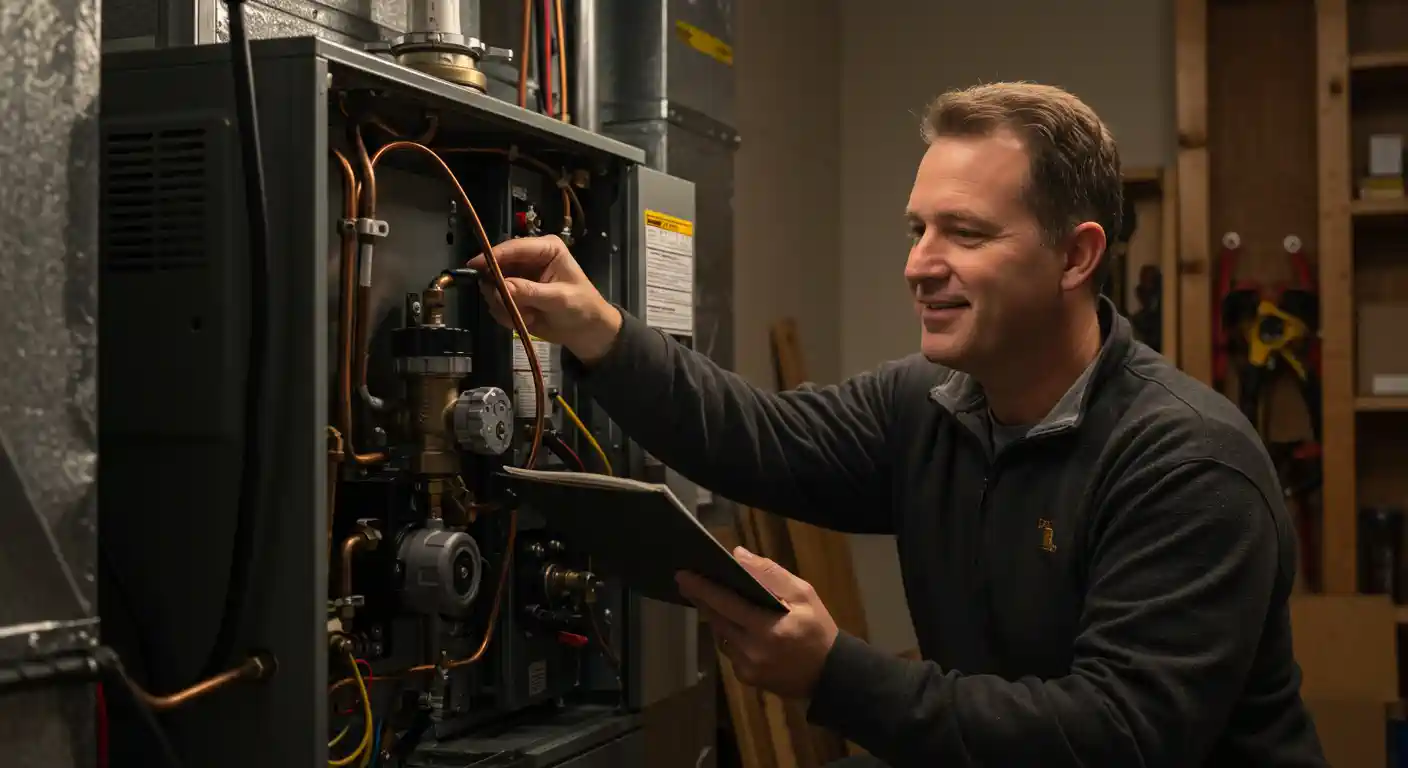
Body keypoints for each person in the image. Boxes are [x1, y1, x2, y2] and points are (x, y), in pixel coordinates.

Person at [469, 83, 1326, 767]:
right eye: (918, 230)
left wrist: (834, 674)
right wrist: (595, 329)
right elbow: (754, 438)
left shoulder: (1188, 464)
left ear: (1076, 256)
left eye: (965, 233)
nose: (920, 265)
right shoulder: (926, 405)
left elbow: (1116, 737)